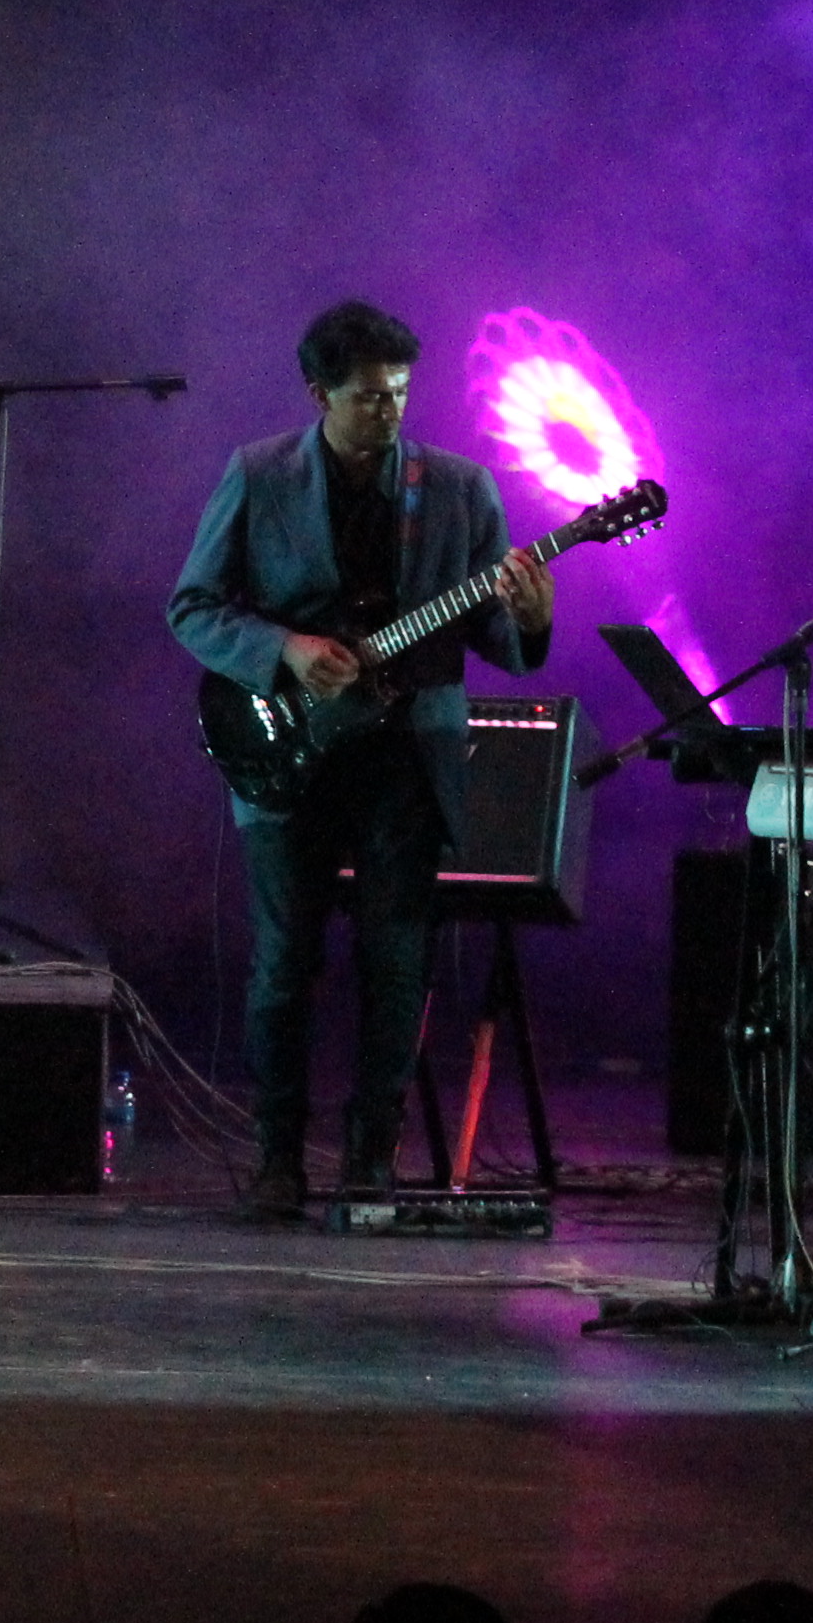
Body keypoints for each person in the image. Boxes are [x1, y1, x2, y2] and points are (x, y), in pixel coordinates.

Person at [168, 300, 553, 1217]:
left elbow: (502, 643)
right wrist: (287, 650)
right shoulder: (259, 475)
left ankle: (372, 1154)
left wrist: (534, 620)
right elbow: (192, 607)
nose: (390, 412)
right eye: (370, 396)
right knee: (284, 960)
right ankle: (278, 1157)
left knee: (397, 962)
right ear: (320, 393)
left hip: (407, 753)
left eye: (400, 394)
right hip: (287, 744)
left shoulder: (459, 488)